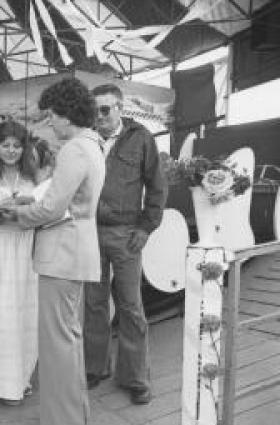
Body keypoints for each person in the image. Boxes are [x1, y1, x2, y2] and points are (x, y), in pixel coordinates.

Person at [3, 77, 105, 425]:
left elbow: (53, 207)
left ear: (67, 113)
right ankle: (73, 418)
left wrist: (15, 213)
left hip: (61, 253)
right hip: (75, 250)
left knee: (57, 341)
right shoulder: (93, 145)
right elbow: (66, 204)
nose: (51, 123)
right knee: (69, 338)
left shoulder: (74, 149)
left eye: (53, 116)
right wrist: (28, 205)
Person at [83, 83, 167, 405]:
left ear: (120, 108)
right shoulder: (86, 139)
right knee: (94, 303)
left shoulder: (141, 138)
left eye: (105, 109)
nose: (99, 116)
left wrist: (147, 227)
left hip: (126, 234)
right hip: (90, 232)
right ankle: (95, 367)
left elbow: (157, 187)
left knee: (131, 306)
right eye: (95, 110)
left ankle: (135, 377)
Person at [0, 120, 39, 406]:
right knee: (2, 313)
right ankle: (4, 384)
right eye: (6, 145)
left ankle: (23, 377)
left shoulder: (34, 176)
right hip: (0, 244)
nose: (11, 151)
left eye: (17, 145)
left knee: (27, 310)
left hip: (27, 245)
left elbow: (43, 207)